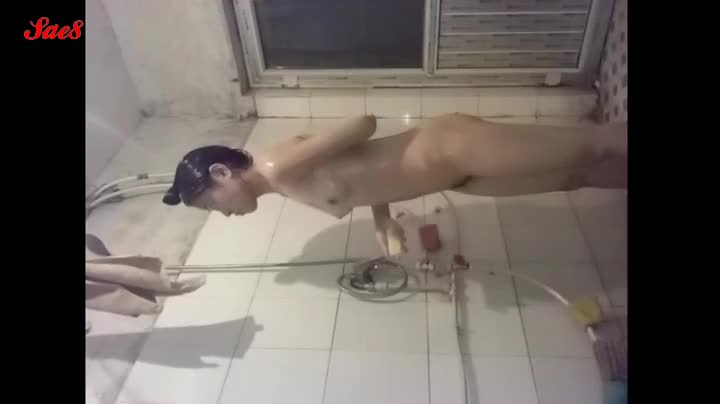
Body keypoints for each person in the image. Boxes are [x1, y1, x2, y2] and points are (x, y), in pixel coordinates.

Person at [163, 113, 627, 255]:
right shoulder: (283, 184)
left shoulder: (279, 168)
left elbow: (363, 125)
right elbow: (364, 178)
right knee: (575, 176)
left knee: (592, 147)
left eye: (211, 204)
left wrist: (344, 134)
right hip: (455, 176)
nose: (223, 215)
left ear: (221, 173)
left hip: (448, 149)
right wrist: (383, 222)